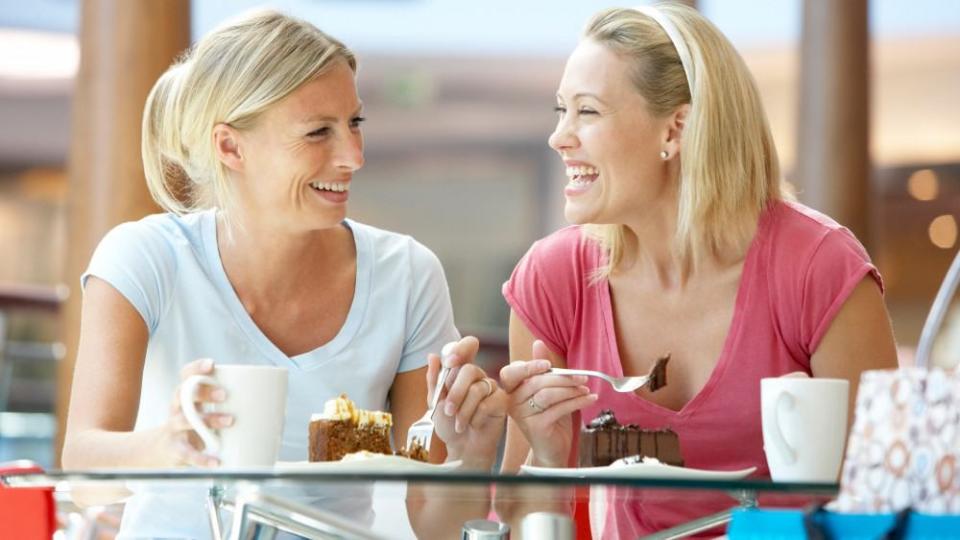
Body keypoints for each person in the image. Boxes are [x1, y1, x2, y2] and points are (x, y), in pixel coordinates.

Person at [60, 10, 506, 539]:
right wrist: (168, 444)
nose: (353, 156)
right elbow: (83, 468)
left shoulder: (406, 275)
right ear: (230, 147)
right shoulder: (145, 257)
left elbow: (435, 525)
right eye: (319, 132)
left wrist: (470, 453)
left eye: (355, 123)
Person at [490, 3, 899, 537]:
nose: (560, 136)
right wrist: (543, 457)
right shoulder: (554, 278)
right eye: (560, 110)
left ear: (675, 128)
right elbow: (518, 525)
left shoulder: (818, 268)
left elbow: (890, 496)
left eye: (587, 112)